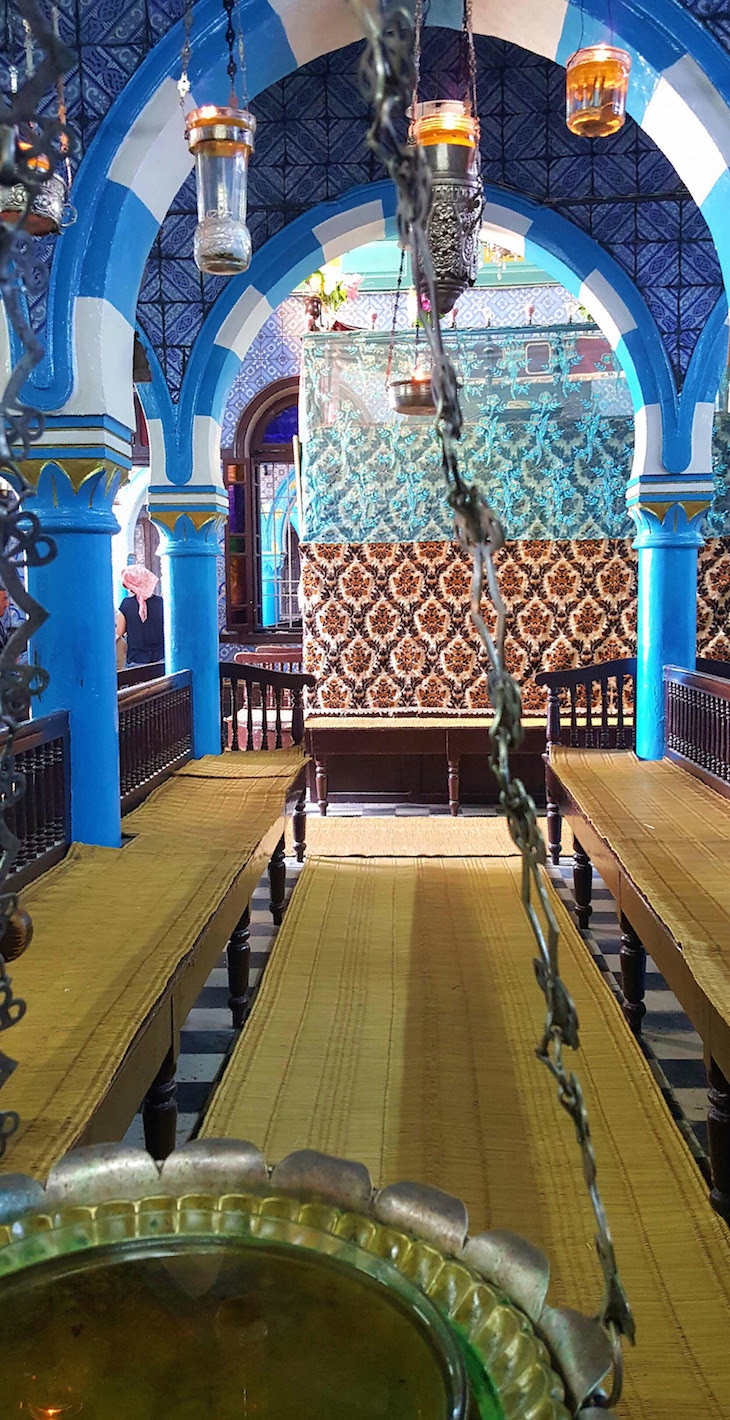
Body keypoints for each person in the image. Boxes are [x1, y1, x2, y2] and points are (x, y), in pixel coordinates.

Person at [116, 565, 164, 668]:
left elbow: (119, 631)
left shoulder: (126, 604)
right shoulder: (161, 603)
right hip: (160, 660)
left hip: (136, 661)